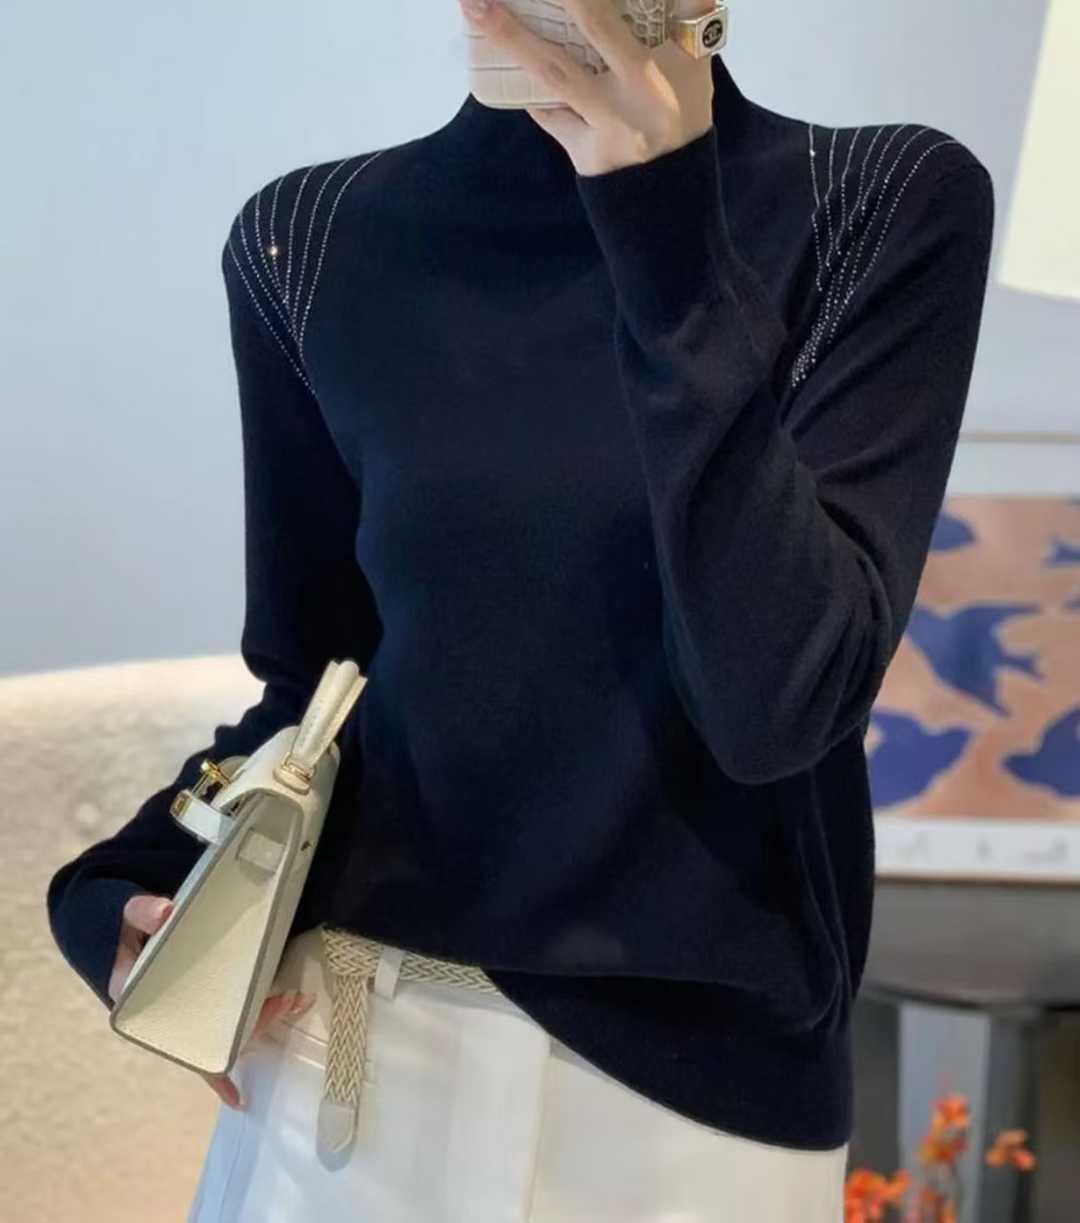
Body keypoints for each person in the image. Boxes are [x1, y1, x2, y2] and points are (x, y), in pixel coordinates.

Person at [45, 1, 995, 1219]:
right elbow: (320, 682)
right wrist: (125, 879)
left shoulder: (877, 204)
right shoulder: (309, 239)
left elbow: (777, 704)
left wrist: (663, 227)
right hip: (348, 1058)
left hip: (694, 1117)